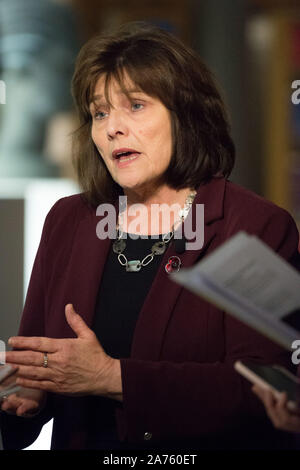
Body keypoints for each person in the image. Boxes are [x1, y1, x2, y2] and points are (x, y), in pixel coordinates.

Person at [0, 22, 299, 450]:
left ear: (187, 116)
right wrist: (23, 392)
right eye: (99, 112)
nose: (112, 128)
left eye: (135, 106)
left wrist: (110, 377)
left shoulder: (254, 226)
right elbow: (36, 369)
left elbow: (264, 389)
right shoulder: (68, 220)